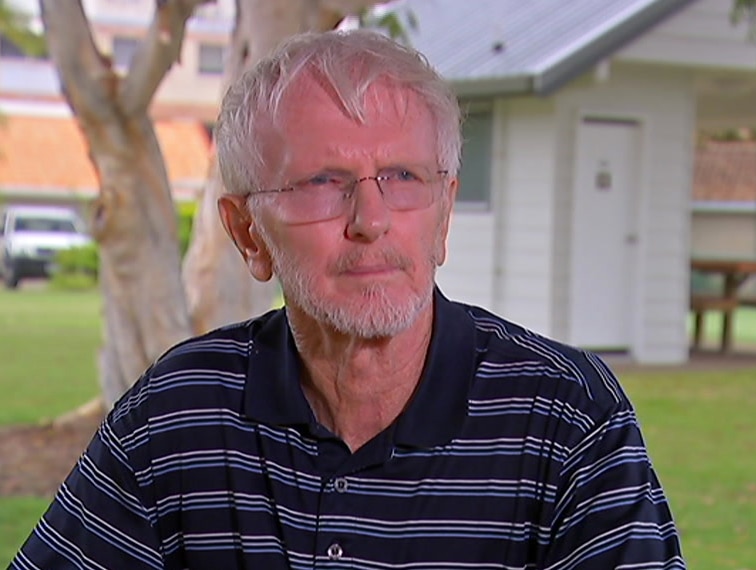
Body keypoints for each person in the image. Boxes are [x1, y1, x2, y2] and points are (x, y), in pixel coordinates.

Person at [11, 29, 685, 569]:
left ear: (443, 215)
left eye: (402, 176)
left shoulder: (567, 416)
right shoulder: (179, 413)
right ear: (249, 234)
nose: (371, 218)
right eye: (323, 182)